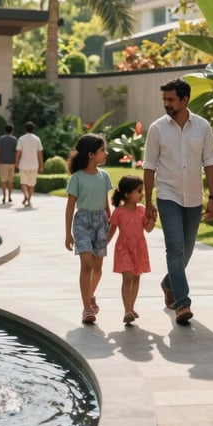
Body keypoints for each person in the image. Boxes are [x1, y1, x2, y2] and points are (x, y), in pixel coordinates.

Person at [143, 77, 213, 325]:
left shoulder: (203, 127)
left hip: (194, 197)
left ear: (185, 100)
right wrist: (150, 202)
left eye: (171, 99)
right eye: (164, 99)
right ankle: (182, 303)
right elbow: (149, 167)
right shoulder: (157, 129)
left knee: (186, 250)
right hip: (168, 196)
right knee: (174, 248)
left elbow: (210, 162)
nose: (166, 103)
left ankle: (168, 283)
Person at [64, 133, 113, 324]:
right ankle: (86, 309)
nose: (106, 153)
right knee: (87, 264)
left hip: (101, 222)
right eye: (102, 150)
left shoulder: (104, 176)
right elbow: (70, 206)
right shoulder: (76, 178)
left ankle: (90, 295)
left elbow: (106, 203)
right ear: (91, 155)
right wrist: (68, 233)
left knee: (98, 267)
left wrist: (110, 222)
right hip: (82, 222)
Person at [107, 174, 155, 325]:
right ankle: (127, 310)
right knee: (127, 277)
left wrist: (153, 218)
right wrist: (104, 244)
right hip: (123, 248)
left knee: (136, 277)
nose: (142, 194)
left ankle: (131, 307)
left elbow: (148, 229)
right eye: (139, 191)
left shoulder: (142, 210)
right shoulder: (118, 212)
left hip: (139, 248)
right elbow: (112, 230)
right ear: (128, 194)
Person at [15, 121, 44, 207]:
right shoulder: (37, 139)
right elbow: (40, 154)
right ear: (33, 129)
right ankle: (29, 200)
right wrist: (41, 166)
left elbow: (18, 152)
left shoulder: (21, 139)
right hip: (34, 165)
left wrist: (16, 162)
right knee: (31, 184)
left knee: (23, 183)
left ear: (25, 129)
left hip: (23, 164)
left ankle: (26, 196)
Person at [0, 124, 18, 203]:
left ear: (5, 130)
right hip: (12, 163)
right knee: (10, 181)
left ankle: (4, 197)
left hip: (3, 162)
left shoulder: (1, 139)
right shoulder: (15, 139)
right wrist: (17, 162)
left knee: (4, 181)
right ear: (12, 131)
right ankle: (10, 196)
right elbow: (17, 152)